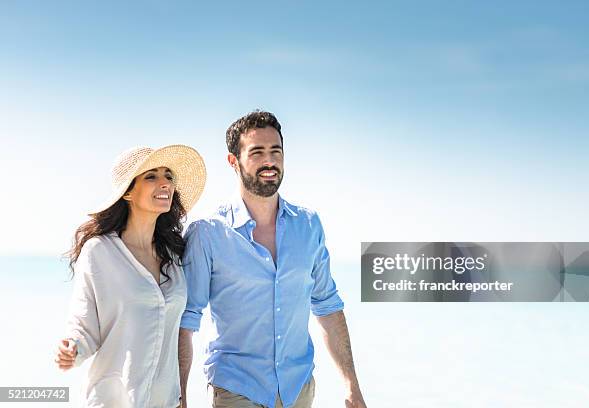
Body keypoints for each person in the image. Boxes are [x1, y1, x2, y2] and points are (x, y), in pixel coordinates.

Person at [178, 111, 366, 408]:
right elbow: (187, 320)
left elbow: (328, 307)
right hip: (236, 389)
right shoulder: (208, 234)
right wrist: (181, 398)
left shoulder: (308, 225)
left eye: (275, 151)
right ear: (233, 161)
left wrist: (351, 384)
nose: (269, 161)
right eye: (257, 152)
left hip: (298, 390)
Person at [54, 145, 206, 408]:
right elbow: (84, 322)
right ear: (127, 193)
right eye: (151, 176)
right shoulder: (100, 251)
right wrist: (72, 348)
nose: (164, 183)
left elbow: (180, 331)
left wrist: (181, 396)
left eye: (168, 176)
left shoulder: (174, 256)